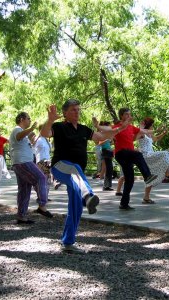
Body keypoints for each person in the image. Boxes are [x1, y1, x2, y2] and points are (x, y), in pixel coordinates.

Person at [41, 100, 128, 254]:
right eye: (73, 110)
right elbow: (44, 133)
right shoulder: (59, 127)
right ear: (66, 113)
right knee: (75, 170)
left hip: (76, 175)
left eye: (78, 110)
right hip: (61, 166)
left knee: (75, 206)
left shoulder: (83, 129)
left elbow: (101, 136)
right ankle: (88, 195)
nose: (77, 112)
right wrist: (50, 120)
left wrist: (120, 128)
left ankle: (68, 242)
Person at [95, 108, 158, 210]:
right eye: (126, 114)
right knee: (138, 155)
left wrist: (157, 130)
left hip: (128, 155)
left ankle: (124, 204)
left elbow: (144, 131)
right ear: (121, 116)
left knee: (130, 179)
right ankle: (147, 176)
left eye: (130, 114)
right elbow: (107, 129)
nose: (129, 116)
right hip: (121, 153)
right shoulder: (118, 127)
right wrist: (97, 126)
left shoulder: (131, 127)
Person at [9, 112, 53, 225]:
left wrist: (32, 136)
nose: (30, 120)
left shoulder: (23, 133)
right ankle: (42, 205)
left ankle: (21, 216)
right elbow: (19, 136)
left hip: (20, 163)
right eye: (28, 118)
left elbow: (27, 143)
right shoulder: (17, 129)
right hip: (23, 162)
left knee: (24, 189)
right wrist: (31, 128)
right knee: (41, 178)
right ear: (22, 119)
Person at [136, 117, 169, 203]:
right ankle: (167, 174)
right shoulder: (142, 133)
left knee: (151, 176)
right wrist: (141, 128)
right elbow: (136, 136)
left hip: (150, 154)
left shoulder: (149, 134)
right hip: (146, 155)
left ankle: (146, 198)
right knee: (166, 153)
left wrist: (163, 133)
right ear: (149, 125)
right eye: (152, 125)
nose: (153, 126)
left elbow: (156, 139)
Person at [34, 124, 52, 201]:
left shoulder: (46, 140)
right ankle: (41, 196)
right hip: (41, 161)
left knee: (47, 180)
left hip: (47, 161)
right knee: (42, 180)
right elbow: (32, 145)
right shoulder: (38, 139)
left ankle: (45, 196)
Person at [99, 121, 114, 191]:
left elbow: (110, 142)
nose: (110, 127)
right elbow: (100, 143)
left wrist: (111, 141)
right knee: (109, 169)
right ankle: (106, 186)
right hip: (105, 151)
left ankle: (107, 186)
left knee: (110, 169)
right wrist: (106, 140)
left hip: (109, 151)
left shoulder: (108, 134)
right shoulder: (102, 133)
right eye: (109, 126)